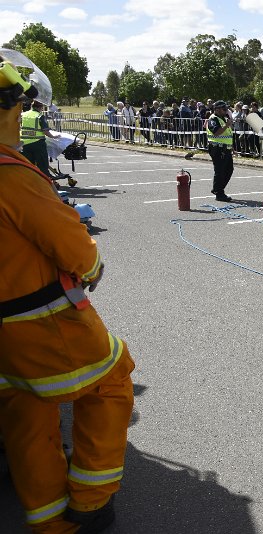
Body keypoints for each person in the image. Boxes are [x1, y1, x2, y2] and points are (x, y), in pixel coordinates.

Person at [0, 47, 135, 534]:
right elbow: (71, 245)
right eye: (17, 105)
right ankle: (91, 503)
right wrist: (93, 265)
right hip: (39, 321)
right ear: (10, 109)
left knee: (26, 414)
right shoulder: (11, 176)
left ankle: (50, 521)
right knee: (113, 380)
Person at [19, 99, 59, 176]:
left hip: (24, 144)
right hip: (38, 144)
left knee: (28, 166)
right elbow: (45, 131)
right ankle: (46, 181)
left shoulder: (23, 115)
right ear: (40, 108)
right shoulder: (40, 116)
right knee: (42, 165)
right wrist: (54, 136)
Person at [206, 100, 235, 201]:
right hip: (217, 148)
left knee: (229, 170)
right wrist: (227, 125)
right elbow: (216, 132)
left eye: (226, 108)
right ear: (217, 109)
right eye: (224, 109)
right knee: (220, 171)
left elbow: (227, 134)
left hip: (225, 148)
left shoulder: (223, 118)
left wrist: (231, 146)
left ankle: (217, 189)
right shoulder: (213, 119)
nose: (226, 110)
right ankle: (219, 193)